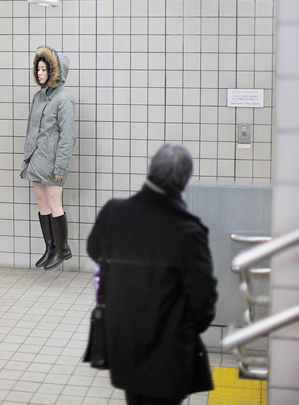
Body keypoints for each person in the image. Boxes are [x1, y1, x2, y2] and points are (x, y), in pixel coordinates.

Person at [87, 143, 218, 405]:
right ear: (184, 182)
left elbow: (94, 250)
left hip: (122, 338)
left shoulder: (114, 211)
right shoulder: (188, 231)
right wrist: (183, 328)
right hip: (169, 350)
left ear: (150, 171)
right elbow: (203, 301)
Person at [21, 46, 75, 270]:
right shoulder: (38, 97)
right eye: (38, 68)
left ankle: (62, 250)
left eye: (44, 69)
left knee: (54, 203)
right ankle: (50, 248)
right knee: (42, 202)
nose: (40, 73)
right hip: (37, 160)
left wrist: (61, 165)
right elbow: (31, 129)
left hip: (53, 162)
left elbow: (67, 136)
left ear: (55, 71)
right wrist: (27, 158)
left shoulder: (64, 99)